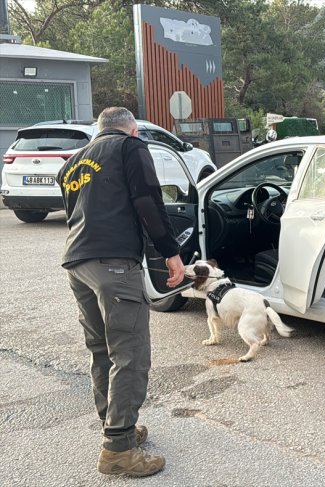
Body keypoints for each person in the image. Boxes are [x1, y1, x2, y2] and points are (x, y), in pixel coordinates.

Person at [57, 107, 185, 477]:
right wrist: (171, 252)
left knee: (101, 350)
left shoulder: (72, 164)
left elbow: (74, 214)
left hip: (78, 263)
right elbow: (147, 199)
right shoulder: (130, 147)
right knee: (130, 354)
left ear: (99, 130)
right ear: (131, 129)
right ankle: (118, 448)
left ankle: (116, 428)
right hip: (114, 264)